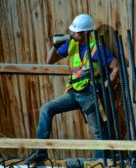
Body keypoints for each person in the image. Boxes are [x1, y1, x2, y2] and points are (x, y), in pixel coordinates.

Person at [24, 13, 119, 164]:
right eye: (73, 30)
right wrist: (55, 46)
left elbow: (115, 67)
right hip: (73, 92)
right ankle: (41, 152)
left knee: (99, 132)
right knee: (46, 109)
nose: (72, 33)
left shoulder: (97, 48)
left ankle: (100, 163)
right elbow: (50, 60)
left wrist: (107, 84)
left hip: (90, 94)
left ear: (86, 33)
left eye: (76, 31)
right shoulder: (71, 44)